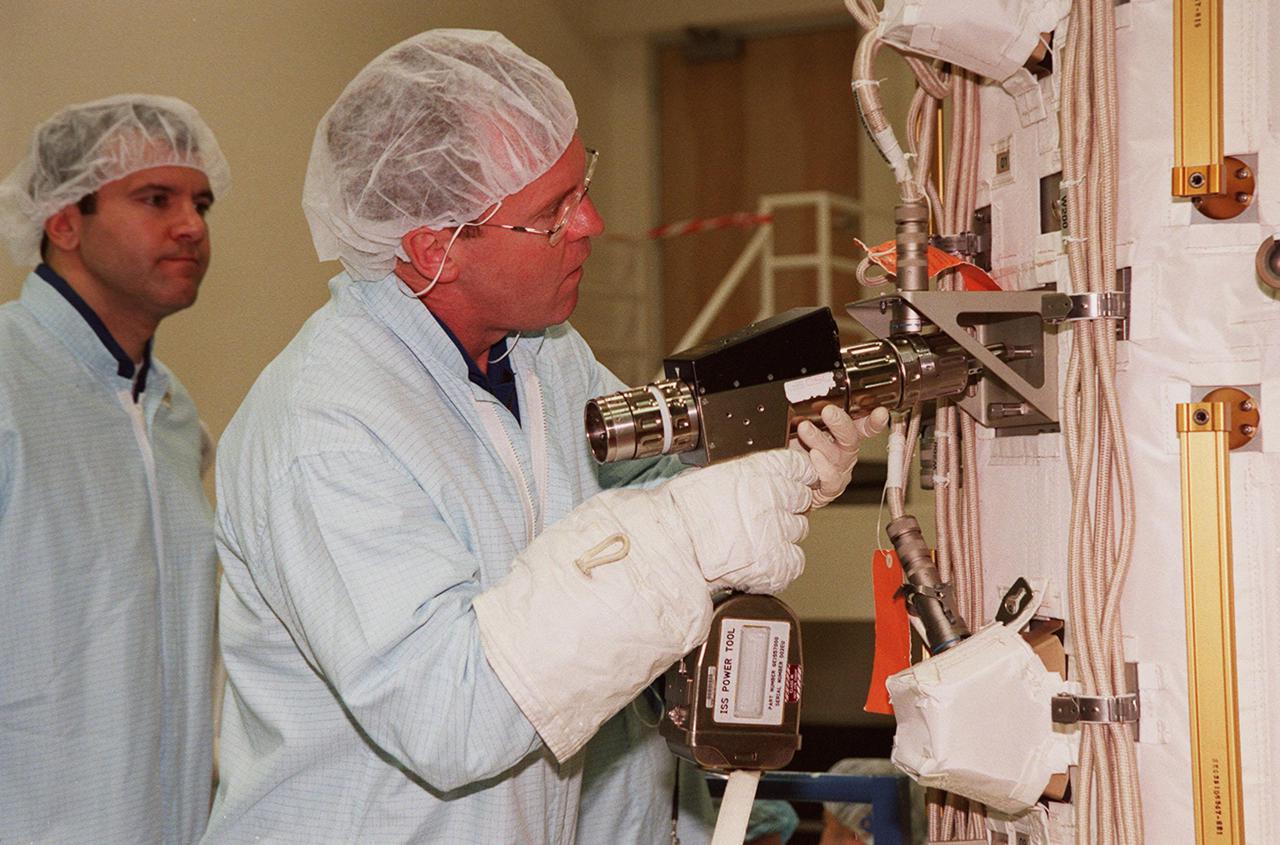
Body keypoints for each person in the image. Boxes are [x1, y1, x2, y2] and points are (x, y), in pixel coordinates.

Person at [206, 29, 888, 844]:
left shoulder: (540, 356)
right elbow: (454, 712)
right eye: (550, 214)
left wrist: (762, 456)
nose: (593, 222)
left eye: (582, 184)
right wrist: (692, 533)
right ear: (434, 250)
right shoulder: (324, 431)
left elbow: (639, 490)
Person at [0, 95, 230, 842]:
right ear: (64, 220)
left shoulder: (172, 415)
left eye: (200, 202)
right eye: (155, 199)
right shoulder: (6, 381)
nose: (191, 226)